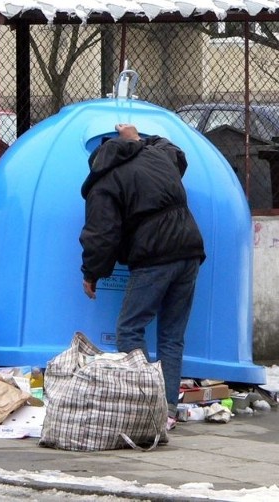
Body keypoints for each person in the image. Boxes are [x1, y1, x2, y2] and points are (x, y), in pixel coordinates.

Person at [79, 123, 206, 431]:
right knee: (171, 336)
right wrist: (137, 139)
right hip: (190, 250)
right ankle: (168, 409)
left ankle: (147, 404)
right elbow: (176, 153)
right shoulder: (156, 156)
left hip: (154, 255)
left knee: (129, 330)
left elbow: (101, 234)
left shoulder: (104, 182)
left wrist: (92, 273)